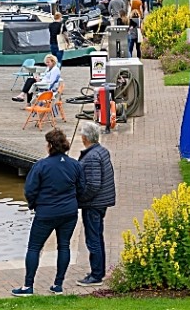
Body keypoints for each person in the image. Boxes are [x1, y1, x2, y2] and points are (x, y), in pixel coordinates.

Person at [11, 129, 85, 297]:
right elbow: (82, 188)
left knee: (34, 247)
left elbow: (30, 190)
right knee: (64, 246)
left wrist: (34, 205)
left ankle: (28, 286)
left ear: (50, 145)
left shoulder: (41, 165)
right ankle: (58, 285)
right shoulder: (75, 165)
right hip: (69, 213)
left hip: (46, 213)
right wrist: (73, 203)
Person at [76, 122, 116, 287]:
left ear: (85, 138)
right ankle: (98, 270)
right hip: (101, 201)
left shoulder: (92, 156)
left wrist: (81, 199)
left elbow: (93, 185)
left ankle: (96, 275)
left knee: (93, 239)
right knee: (97, 236)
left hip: (94, 204)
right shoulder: (101, 151)